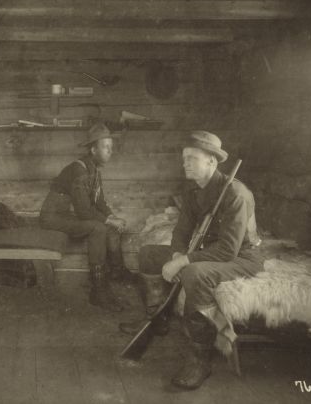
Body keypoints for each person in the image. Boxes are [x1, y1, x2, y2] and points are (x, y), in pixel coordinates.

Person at [120, 130, 262, 390]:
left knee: (194, 274)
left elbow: (228, 250)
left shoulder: (236, 194)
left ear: (212, 161)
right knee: (149, 253)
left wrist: (184, 261)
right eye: (184, 158)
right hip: (210, 251)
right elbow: (181, 232)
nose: (184, 163)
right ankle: (157, 319)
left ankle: (200, 359)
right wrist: (175, 254)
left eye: (192, 158)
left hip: (240, 257)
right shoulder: (193, 191)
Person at [39, 123, 133, 312]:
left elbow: (100, 203)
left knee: (110, 226)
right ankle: (98, 291)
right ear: (93, 149)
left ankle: (117, 272)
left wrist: (113, 217)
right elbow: (84, 212)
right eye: (106, 148)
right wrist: (108, 221)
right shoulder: (79, 169)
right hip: (52, 218)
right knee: (98, 228)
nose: (110, 152)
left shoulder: (94, 171)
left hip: (66, 216)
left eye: (111, 148)